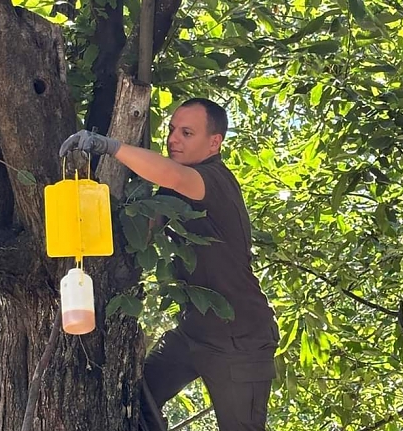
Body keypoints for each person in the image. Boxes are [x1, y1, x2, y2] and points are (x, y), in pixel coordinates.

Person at [60, 98, 279, 431]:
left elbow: (172, 175)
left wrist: (110, 146)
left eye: (187, 133)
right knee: (137, 401)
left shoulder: (211, 179)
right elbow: (141, 240)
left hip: (241, 339)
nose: (173, 139)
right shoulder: (172, 190)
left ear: (214, 143)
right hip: (193, 332)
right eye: (172, 130)